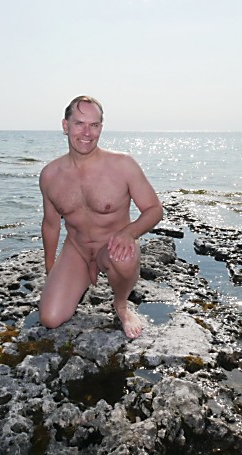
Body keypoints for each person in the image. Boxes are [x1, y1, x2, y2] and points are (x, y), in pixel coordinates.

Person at [38, 95, 163, 338]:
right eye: (79, 123)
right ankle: (81, 278)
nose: (87, 132)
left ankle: (121, 305)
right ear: (65, 126)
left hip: (112, 247)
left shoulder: (122, 165)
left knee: (124, 257)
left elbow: (154, 209)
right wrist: (50, 270)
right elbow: (51, 225)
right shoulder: (50, 175)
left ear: (101, 128)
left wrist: (129, 232)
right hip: (77, 250)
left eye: (94, 125)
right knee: (50, 319)